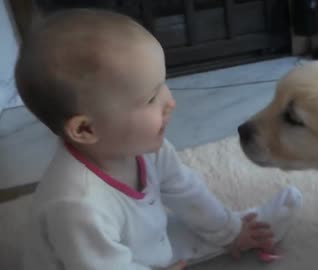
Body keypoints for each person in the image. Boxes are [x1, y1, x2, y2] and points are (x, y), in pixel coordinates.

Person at [15, 8, 303, 270]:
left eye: (164, 84)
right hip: (87, 262)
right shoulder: (77, 205)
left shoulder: (145, 147)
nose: (170, 101)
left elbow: (186, 191)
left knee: (183, 230)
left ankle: (240, 229)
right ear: (86, 130)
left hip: (133, 243)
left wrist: (230, 230)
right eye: (152, 97)